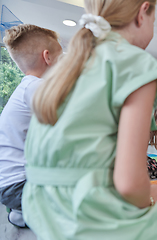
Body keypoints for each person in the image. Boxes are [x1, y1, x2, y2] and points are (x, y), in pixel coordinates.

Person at [21, 1, 157, 239]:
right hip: (87, 213)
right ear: (143, 12)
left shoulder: (70, 65)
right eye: (155, 19)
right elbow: (130, 186)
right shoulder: (136, 64)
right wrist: (149, 192)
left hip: (41, 208)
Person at [0, 24, 62, 228]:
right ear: (48, 57)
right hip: (19, 186)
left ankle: (24, 213)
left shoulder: (26, 87)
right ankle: (34, 213)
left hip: (11, 185)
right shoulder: (37, 86)